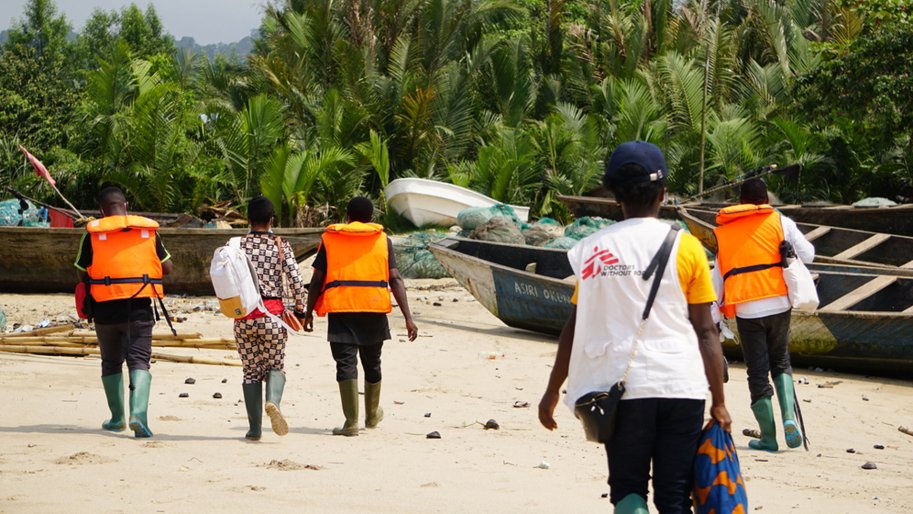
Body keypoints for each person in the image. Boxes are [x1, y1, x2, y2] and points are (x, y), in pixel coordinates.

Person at [538, 141, 731, 514]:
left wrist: (551, 391)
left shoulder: (591, 251)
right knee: (674, 496)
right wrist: (720, 402)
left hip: (621, 389)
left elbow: (574, 327)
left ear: (614, 197)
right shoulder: (687, 247)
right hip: (681, 385)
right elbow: (706, 331)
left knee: (627, 492)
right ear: (663, 193)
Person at [712, 178, 814, 451]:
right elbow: (811, 254)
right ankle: (789, 417)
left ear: (740, 202)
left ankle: (769, 437)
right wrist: (789, 252)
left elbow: (717, 280)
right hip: (779, 302)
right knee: (780, 361)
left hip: (746, 307)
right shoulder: (781, 222)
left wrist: (715, 317)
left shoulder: (725, 232)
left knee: (757, 371)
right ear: (767, 200)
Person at [303, 196, 418, 437]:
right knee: (372, 362)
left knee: (346, 363)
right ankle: (372, 415)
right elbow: (395, 278)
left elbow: (317, 279)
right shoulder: (382, 240)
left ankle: (351, 422)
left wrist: (309, 311)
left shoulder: (331, 239)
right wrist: (408, 317)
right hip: (373, 307)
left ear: (347, 217)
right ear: (371, 219)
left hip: (342, 308)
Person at [74, 186, 173, 438]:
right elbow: (168, 267)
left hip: (105, 312)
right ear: (125, 205)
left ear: (100, 210)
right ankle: (138, 415)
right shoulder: (147, 233)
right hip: (139, 309)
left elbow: (80, 273)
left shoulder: (91, 235)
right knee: (139, 361)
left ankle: (117, 419)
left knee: (111, 362)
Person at [234, 195, 308, 441]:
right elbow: (296, 281)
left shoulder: (237, 245)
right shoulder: (280, 244)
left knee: (250, 371)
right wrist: (301, 309)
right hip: (273, 316)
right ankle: (272, 401)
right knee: (275, 365)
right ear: (271, 220)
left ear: (248, 219)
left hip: (244, 316)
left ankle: (254, 429)